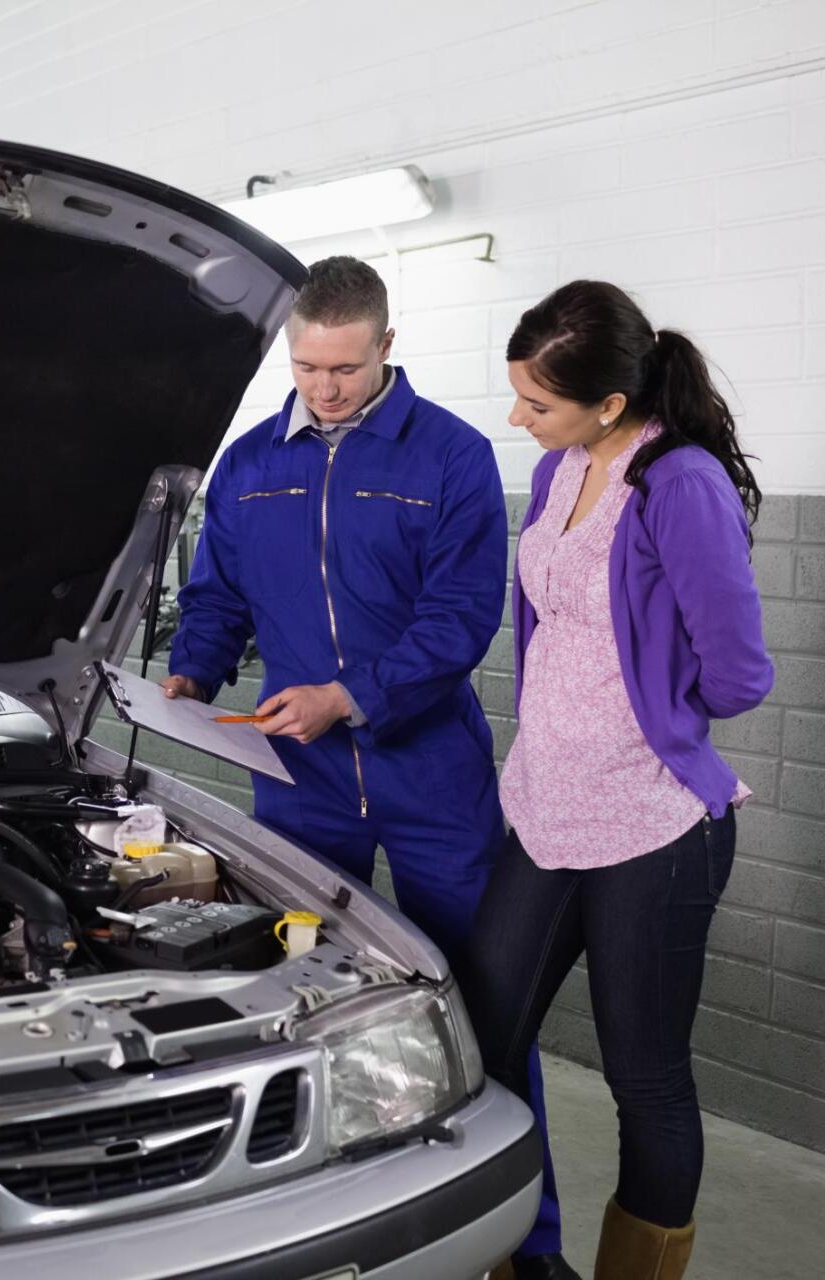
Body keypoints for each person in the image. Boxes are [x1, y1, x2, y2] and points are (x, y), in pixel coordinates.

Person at [163, 256, 569, 1272]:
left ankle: (532, 1242)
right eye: (306, 367)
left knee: (485, 1006)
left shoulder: (453, 457)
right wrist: (188, 676)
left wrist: (351, 697)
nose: (325, 387)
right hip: (299, 790)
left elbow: (460, 618)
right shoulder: (251, 464)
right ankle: (323, 1225)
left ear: (386, 347)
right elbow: (217, 597)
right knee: (307, 1011)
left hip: (430, 778)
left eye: (344, 367)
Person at [464, 280, 771, 1280]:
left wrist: (641, 703)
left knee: (645, 1077)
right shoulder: (562, 469)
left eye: (537, 403)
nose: (519, 418)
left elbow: (737, 673)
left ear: (608, 403)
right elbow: (549, 622)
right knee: (483, 1038)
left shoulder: (678, 483)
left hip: (651, 825)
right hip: (545, 813)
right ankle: (523, 1256)